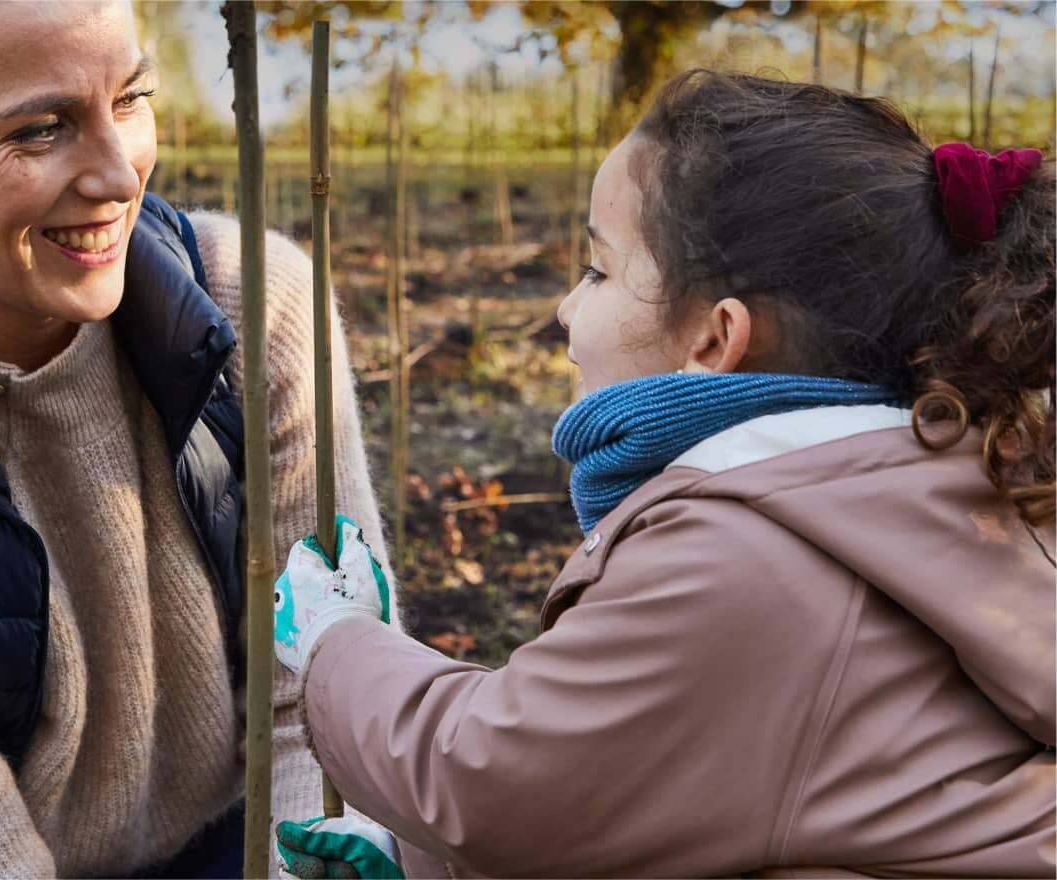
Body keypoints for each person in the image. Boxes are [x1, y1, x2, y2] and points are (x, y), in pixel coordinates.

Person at [274, 70, 1056, 878]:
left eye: (598, 272)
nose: (565, 312)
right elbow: (670, 793)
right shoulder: (906, 496)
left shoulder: (743, 554)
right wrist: (424, 865)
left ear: (716, 341)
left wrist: (337, 641)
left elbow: (498, 780)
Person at [0, 1, 401, 877]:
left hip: (224, 836)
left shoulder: (250, 305)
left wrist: (298, 867)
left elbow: (323, 700)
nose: (119, 174)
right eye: (40, 129)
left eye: (132, 97)